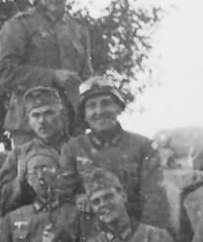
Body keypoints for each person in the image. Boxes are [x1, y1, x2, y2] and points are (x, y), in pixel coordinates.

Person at [0, 0, 93, 146]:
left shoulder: (78, 29)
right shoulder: (20, 25)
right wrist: (51, 76)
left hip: (71, 127)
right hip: (31, 128)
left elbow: (86, 76)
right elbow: (3, 72)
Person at [60, 77, 169, 229]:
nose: (99, 111)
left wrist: (142, 239)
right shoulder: (72, 149)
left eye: (106, 103)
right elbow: (63, 197)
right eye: (91, 106)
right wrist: (78, 198)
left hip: (133, 230)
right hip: (90, 235)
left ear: (118, 108)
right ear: (84, 114)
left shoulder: (143, 146)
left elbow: (154, 201)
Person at [0, 85, 71, 216]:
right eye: (36, 115)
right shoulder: (19, 154)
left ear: (62, 114)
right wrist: (21, 180)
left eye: (49, 113)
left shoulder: (79, 147)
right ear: (28, 120)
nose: (42, 121)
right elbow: (1, 205)